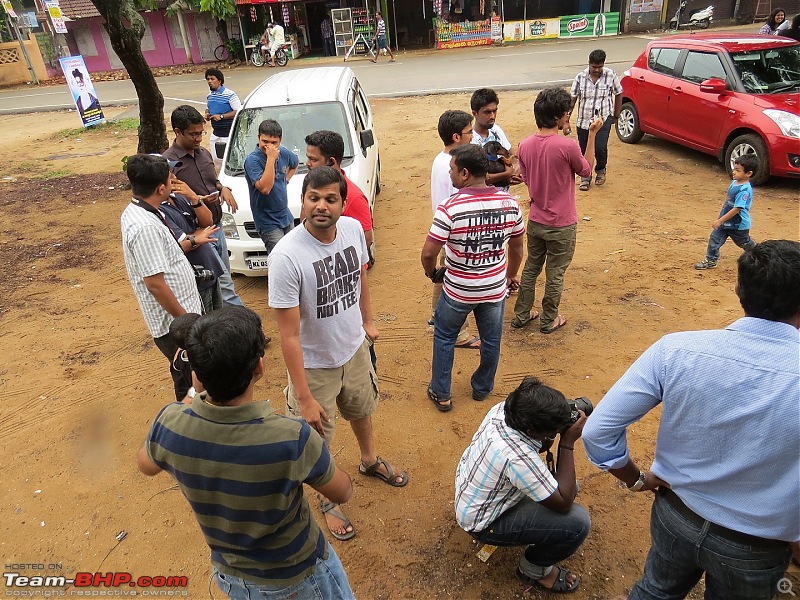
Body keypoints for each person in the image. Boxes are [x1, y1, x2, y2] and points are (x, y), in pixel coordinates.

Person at [582, 239, 800, 600]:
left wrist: (635, 480)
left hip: (676, 514)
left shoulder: (677, 350)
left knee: (655, 590)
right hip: (756, 543)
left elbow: (599, 431)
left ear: (738, 289)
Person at [137, 307, 356, 600]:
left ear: (196, 377)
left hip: (232, 576)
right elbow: (342, 491)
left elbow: (146, 465)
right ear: (259, 368)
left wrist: (188, 401)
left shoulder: (171, 424)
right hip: (297, 575)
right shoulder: (292, 438)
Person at [268, 166, 408, 542]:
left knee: (363, 410)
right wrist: (304, 396)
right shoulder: (286, 257)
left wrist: (368, 320)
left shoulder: (350, 231)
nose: (321, 206)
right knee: (317, 442)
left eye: (330, 199)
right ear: (302, 202)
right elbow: (288, 336)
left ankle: (368, 461)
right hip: (315, 367)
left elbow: (360, 274)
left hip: (354, 349)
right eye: (313, 198)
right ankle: (327, 501)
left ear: (344, 204)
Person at [455, 376, 590, 593]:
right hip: (483, 522)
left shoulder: (504, 410)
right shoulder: (517, 458)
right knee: (578, 522)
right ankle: (534, 569)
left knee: (565, 485)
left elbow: (535, 443)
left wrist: (552, 424)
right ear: (531, 430)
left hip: (470, 497)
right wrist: (566, 442)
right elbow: (564, 501)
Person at [421, 145, 524, 411]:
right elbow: (516, 246)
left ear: (464, 173)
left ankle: (442, 393)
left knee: (444, 337)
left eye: (452, 169)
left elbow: (429, 253)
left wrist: (433, 273)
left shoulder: (450, 208)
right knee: (492, 340)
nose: (450, 173)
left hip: (458, 290)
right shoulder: (509, 203)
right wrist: (510, 274)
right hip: (493, 289)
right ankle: (482, 388)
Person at [512, 87, 602, 334]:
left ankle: (522, 314)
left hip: (537, 219)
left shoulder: (525, 145)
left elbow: (527, 179)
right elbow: (586, 171)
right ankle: (549, 318)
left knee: (531, 267)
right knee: (555, 272)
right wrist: (592, 134)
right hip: (561, 223)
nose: (568, 118)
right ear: (559, 116)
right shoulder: (568, 146)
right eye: (566, 114)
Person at [121, 154, 202, 401]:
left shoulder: (141, 209)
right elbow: (155, 284)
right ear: (161, 188)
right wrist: (186, 321)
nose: (173, 181)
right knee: (190, 385)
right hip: (173, 326)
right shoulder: (145, 227)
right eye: (170, 179)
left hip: (180, 317)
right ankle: (188, 430)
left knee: (197, 380)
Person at [163, 105, 243, 308]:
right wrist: (197, 200)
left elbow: (212, 180)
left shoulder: (204, 153)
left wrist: (222, 187)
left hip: (217, 228)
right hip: (198, 235)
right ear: (178, 132)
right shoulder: (168, 165)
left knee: (225, 281)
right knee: (223, 285)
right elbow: (168, 201)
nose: (199, 139)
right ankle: (250, 331)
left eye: (201, 133)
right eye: (194, 134)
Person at [429, 110, 482, 350]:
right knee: (455, 283)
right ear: (456, 137)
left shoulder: (440, 160)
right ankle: (459, 333)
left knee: (441, 277)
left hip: (444, 230)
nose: (472, 136)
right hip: (455, 233)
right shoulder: (451, 167)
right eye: (469, 132)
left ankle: (435, 317)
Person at [158, 165, 224, 314]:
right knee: (204, 327)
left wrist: (194, 197)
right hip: (194, 279)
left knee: (218, 320)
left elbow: (207, 222)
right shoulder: (159, 211)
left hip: (209, 270)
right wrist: (197, 236)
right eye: (170, 176)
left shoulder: (180, 197)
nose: (175, 179)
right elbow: (184, 244)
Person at [304, 130, 374, 265]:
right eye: (314, 199)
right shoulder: (310, 181)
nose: (307, 163)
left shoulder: (354, 197)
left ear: (331, 161)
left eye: (313, 159)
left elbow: (366, 238)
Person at [567, 49, 623, 191]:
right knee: (584, 149)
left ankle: (600, 169)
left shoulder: (610, 75)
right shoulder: (580, 77)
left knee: (600, 148)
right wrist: (567, 119)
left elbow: (619, 92)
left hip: (603, 120)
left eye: (599, 67)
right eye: (594, 67)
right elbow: (572, 100)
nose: (597, 70)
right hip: (584, 121)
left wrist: (616, 114)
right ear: (589, 64)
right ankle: (586, 176)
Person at [244, 119, 298, 256]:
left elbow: (295, 163)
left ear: (280, 140)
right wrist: (271, 159)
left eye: (274, 143)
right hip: (268, 222)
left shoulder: (284, 153)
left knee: (293, 253)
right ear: (258, 138)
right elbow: (265, 188)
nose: (269, 146)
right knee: (280, 258)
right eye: (265, 141)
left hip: (285, 216)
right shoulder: (253, 160)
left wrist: (286, 180)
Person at [694, 154, 758, 270]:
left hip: (738, 225)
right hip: (725, 222)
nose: (734, 172)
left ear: (748, 174)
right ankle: (711, 260)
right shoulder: (734, 182)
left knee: (744, 243)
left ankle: (759, 253)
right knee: (715, 239)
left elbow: (737, 208)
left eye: (738, 170)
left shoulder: (744, 190)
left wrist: (720, 220)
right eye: (734, 169)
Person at [469, 88, 516, 189]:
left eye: (495, 111)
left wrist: (516, 173)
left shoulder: (496, 130)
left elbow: (513, 156)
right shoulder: (471, 140)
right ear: (474, 113)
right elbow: (478, 178)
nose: (492, 116)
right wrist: (507, 174)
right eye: (487, 112)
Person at [203, 68, 241, 171]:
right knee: (216, 159)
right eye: (208, 79)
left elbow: (238, 111)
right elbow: (208, 108)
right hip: (216, 134)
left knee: (231, 159)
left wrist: (222, 117)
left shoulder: (230, 95)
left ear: (219, 80)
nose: (209, 81)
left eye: (212, 79)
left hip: (229, 134)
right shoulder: (210, 96)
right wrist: (207, 113)